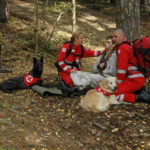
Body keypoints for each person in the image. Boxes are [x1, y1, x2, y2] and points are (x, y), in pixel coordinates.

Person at [56, 31, 102, 97]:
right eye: (81, 38)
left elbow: (90, 53)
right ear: (76, 39)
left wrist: (103, 52)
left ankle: (77, 89)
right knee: (71, 83)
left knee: (85, 81)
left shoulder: (81, 49)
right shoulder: (67, 46)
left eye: (83, 38)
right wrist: (69, 70)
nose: (83, 40)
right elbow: (59, 61)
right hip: (65, 71)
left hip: (76, 71)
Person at [113, 29, 150, 103]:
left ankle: (139, 97)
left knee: (113, 93)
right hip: (136, 79)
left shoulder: (123, 48)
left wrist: (118, 84)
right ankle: (140, 93)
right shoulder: (129, 45)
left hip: (135, 80)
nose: (113, 39)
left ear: (123, 37)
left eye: (115, 36)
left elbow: (121, 70)